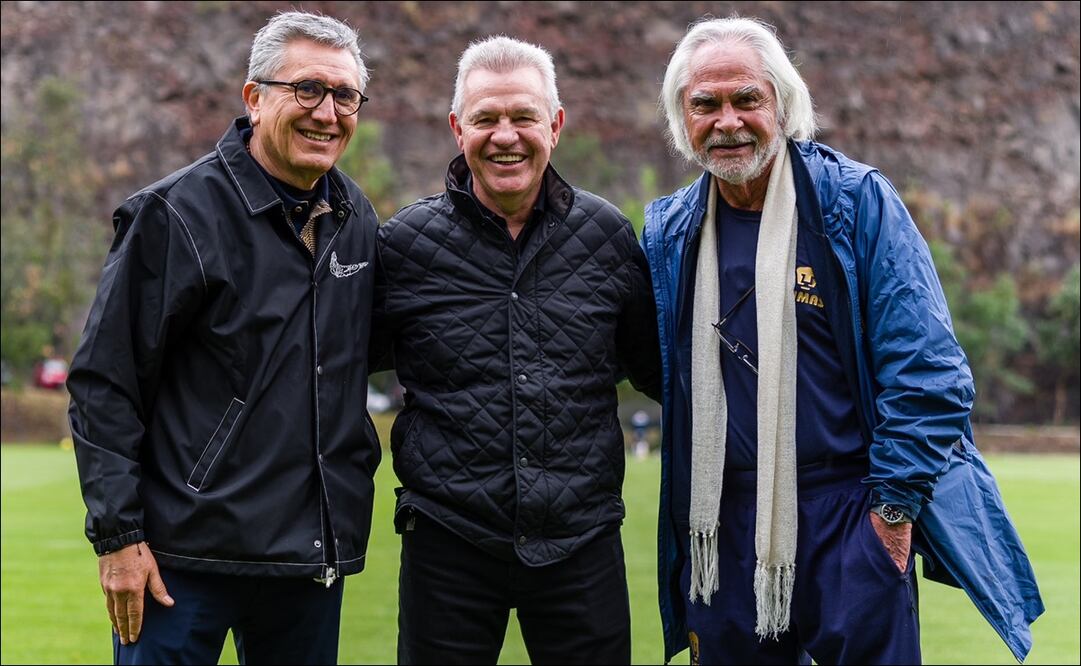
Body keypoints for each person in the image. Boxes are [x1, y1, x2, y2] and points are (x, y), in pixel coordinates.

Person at [641, 16, 1044, 666]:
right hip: (723, 521)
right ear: (680, 119)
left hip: (850, 511)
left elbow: (929, 373)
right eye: (704, 104)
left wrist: (889, 515)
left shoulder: (853, 203)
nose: (727, 121)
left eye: (747, 99)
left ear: (782, 104)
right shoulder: (669, 233)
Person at [67, 11, 381, 665]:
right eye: (307, 89)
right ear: (253, 97)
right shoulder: (173, 215)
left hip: (307, 561)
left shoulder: (355, 217)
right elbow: (104, 382)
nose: (328, 112)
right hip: (181, 564)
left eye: (344, 95)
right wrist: (118, 538)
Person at [371, 35, 662, 665]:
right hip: (448, 542)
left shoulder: (607, 235)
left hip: (580, 542)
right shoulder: (403, 246)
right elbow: (332, 370)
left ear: (554, 125)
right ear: (457, 128)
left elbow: (661, 369)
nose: (506, 135)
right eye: (486, 119)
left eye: (524, 116)